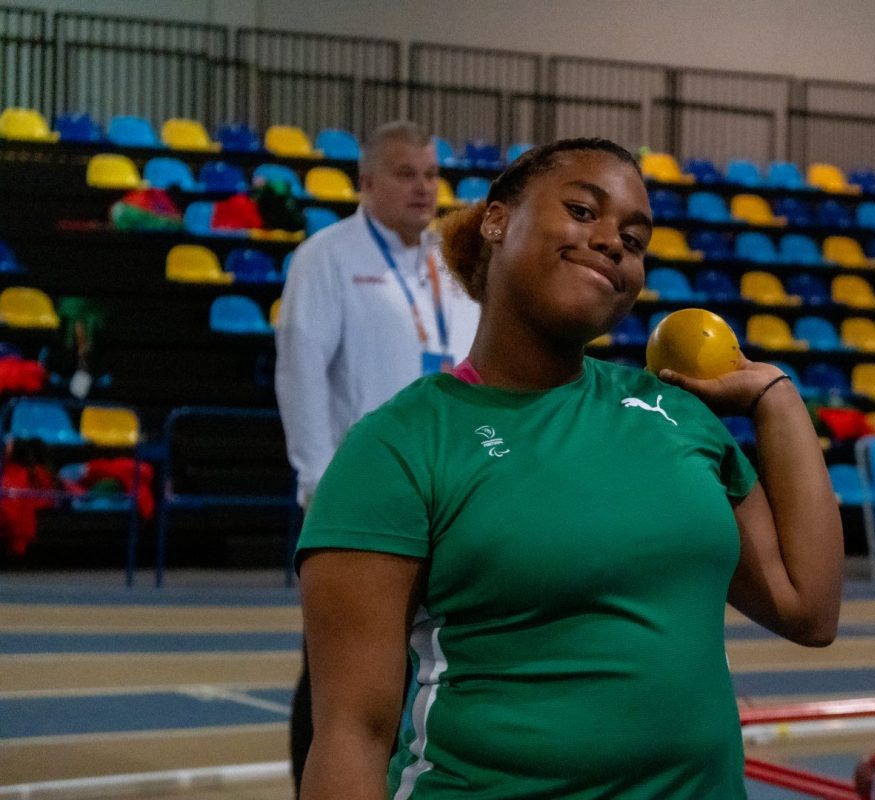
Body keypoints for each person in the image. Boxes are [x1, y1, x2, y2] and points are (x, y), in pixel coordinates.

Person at [294, 138, 844, 799]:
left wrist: (776, 397)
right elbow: (351, 735)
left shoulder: (675, 416)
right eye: (583, 211)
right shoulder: (398, 446)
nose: (612, 242)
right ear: (497, 220)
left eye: (635, 240)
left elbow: (809, 610)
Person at [274, 120, 480, 794]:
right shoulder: (326, 257)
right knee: (340, 676)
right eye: (405, 173)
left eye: (431, 173)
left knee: (437, 661)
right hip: (362, 500)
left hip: (455, 492)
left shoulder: (454, 260)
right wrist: (316, 482)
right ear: (365, 181)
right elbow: (301, 374)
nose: (423, 187)